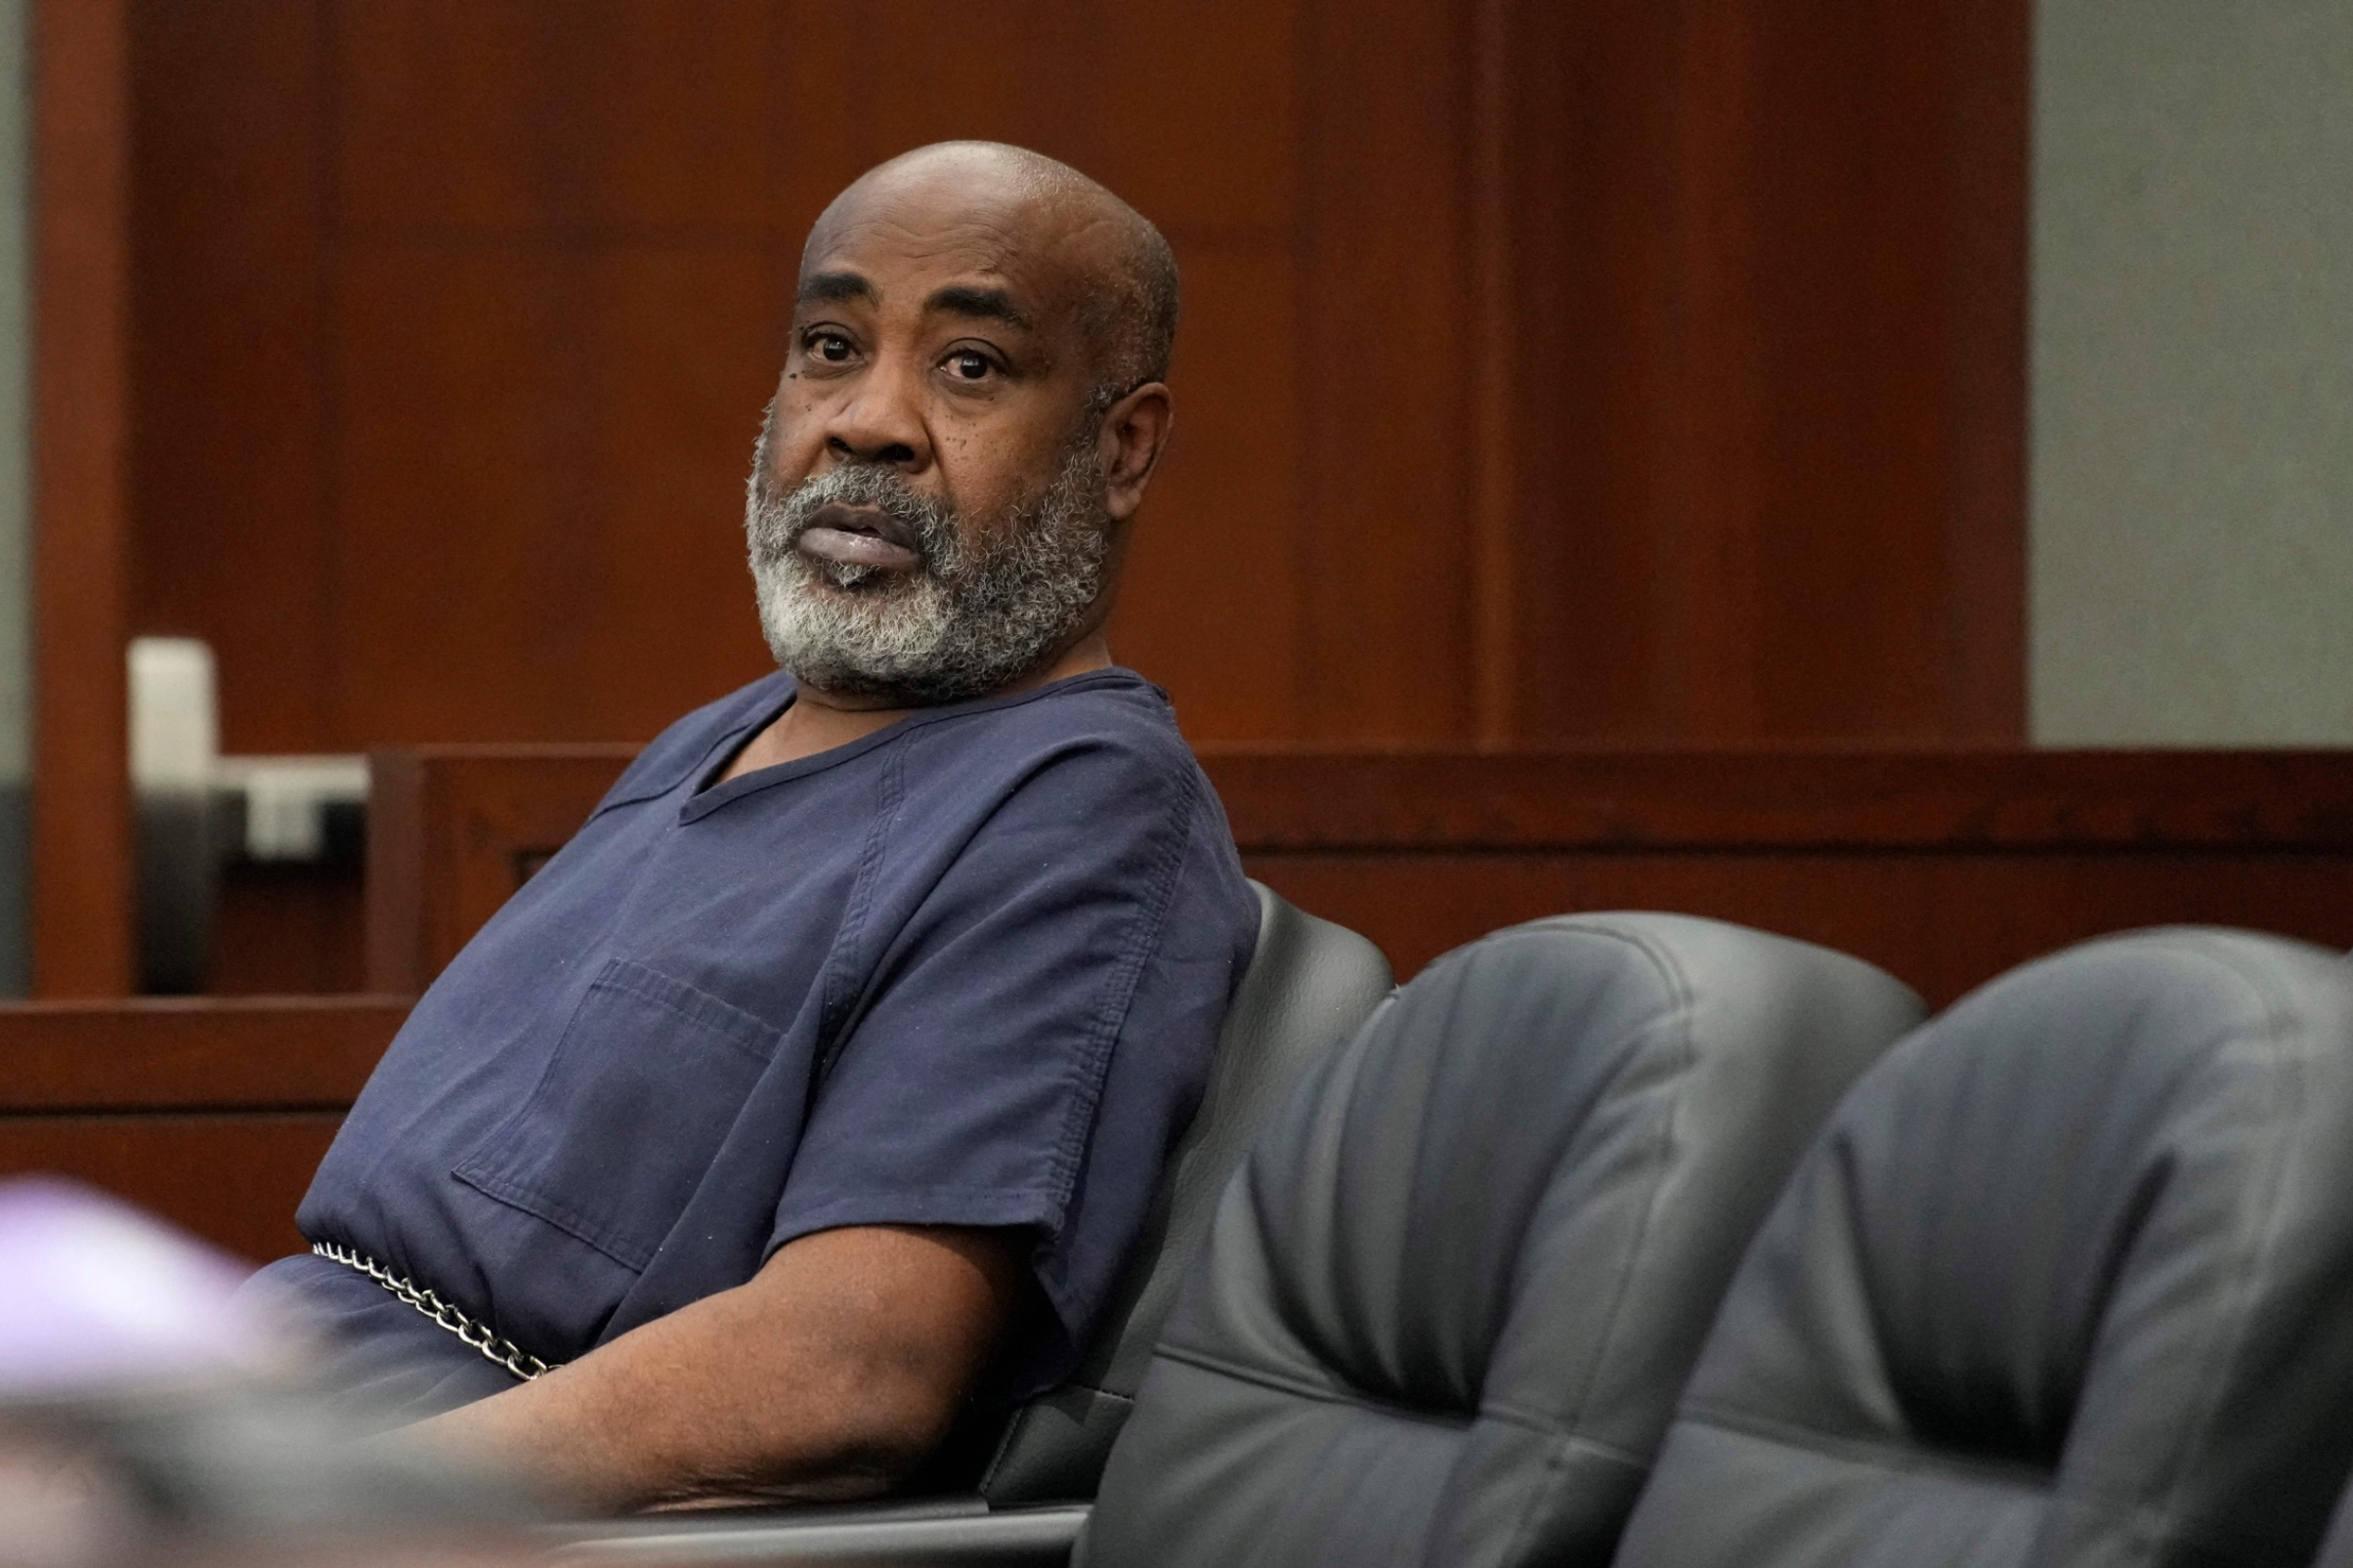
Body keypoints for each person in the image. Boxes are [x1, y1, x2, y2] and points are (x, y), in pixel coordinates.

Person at [247, 142, 1260, 1511]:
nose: (870, 421)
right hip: (259, 1420)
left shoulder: (1079, 801)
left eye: (970, 367)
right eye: (831, 348)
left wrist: (290, 1502)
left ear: (1121, 446)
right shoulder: (722, 733)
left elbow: (848, 1368)